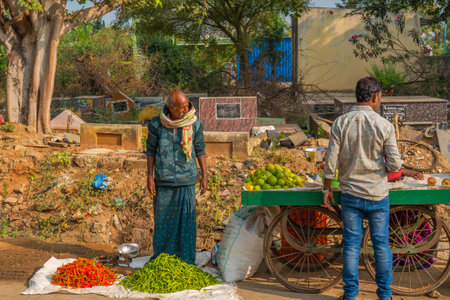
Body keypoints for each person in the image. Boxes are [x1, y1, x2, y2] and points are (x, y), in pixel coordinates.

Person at [322, 77, 424, 300]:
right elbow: (395, 165)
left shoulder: (341, 122)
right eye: (381, 97)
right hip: (378, 196)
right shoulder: (384, 125)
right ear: (376, 97)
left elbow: (330, 162)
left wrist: (327, 188)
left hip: (350, 195)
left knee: (351, 245)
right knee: (380, 244)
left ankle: (350, 295)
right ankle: (384, 295)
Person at [146, 91, 207, 265]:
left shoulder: (194, 124)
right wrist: (149, 177)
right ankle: (163, 260)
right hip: (163, 180)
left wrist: (204, 175)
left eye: (187, 106)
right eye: (181, 108)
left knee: (186, 223)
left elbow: (200, 149)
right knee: (163, 222)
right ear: (171, 108)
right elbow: (150, 151)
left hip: (186, 179)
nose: (186, 110)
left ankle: (185, 260)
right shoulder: (157, 124)